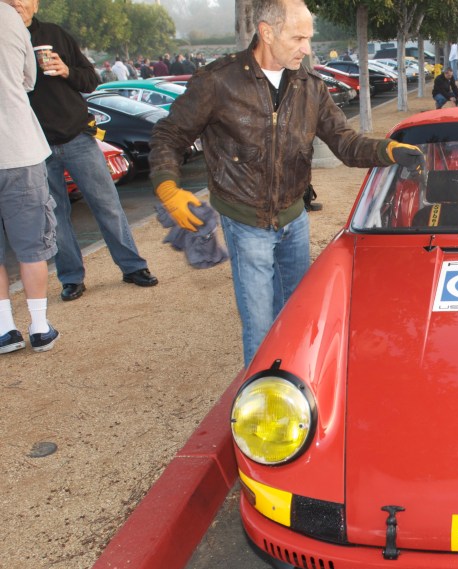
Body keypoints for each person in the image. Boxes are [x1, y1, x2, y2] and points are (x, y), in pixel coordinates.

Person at [148, 0, 424, 366]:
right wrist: (168, 187)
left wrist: (389, 151)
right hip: (245, 222)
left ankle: (295, 385)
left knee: (297, 315)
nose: (307, 48)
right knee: (261, 329)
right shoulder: (217, 81)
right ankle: (260, 408)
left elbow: (344, 142)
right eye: (298, 38)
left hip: (295, 220)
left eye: (308, 38)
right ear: (266, 32)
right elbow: (169, 135)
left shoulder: (311, 86)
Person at [19, 0, 157, 302]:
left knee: (107, 204)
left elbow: (91, 80)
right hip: (35, 145)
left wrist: (67, 69)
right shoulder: (5, 41)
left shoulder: (55, 34)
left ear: (35, 2)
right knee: (55, 216)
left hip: (77, 136)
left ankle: (133, 266)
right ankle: (71, 277)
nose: (17, 3)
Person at [0, 0, 58, 354]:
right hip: (18, 148)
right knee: (32, 245)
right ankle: (38, 326)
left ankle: (4, 328)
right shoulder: (10, 19)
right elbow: (28, 79)